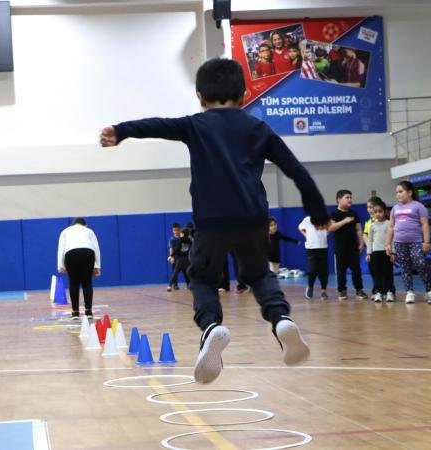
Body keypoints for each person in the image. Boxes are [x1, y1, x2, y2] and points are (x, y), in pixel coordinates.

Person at [99, 58, 329, 384]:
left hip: (211, 220)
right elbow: (296, 170)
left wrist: (121, 131)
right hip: (253, 218)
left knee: (202, 278)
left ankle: (212, 327)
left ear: (199, 97)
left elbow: (156, 125)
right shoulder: (259, 128)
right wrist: (317, 210)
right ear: (244, 94)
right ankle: (280, 321)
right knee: (258, 273)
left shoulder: (196, 124)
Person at [385, 181, 431, 303]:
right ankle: (409, 292)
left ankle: (429, 289)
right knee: (405, 268)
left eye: (401, 191)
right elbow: (391, 227)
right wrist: (388, 244)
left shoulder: (418, 206)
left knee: (420, 263)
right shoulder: (395, 208)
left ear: (410, 192)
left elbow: (425, 224)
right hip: (399, 243)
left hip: (416, 242)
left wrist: (426, 242)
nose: (398, 195)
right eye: (397, 192)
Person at [57, 218, 101, 320]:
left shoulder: (65, 231)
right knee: (87, 282)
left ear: (73, 224)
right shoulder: (89, 231)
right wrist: (97, 266)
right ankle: (88, 311)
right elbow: (96, 248)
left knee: (73, 283)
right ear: (85, 225)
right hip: (88, 253)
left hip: (71, 254)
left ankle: (75, 313)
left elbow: (61, 248)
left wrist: (60, 265)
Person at [328, 190, 368, 300]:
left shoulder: (354, 213)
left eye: (350, 197)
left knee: (356, 270)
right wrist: (344, 221)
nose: (350, 199)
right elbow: (331, 228)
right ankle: (342, 291)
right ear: (339, 199)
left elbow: (359, 230)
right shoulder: (334, 214)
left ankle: (359, 290)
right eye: (347, 197)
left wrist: (361, 243)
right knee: (341, 270)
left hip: (353, 247)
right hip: (340, 248)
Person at [365, 202, 395, 302]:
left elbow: (393, 239)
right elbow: (369, 240)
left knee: (387, 273)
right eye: (375, 212)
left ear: (385, 212)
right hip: (375, 253)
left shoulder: (389, 224)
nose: (378, 214)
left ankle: (389, 292)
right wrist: (369, 253)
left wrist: (393, 252)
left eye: (380, 211)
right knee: (376, 274)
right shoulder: (372, 226)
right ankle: (378, 292)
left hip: (386, 252)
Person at [298, 215, 329, 300]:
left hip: (323, 247)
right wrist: (306, 235)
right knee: (313, 269)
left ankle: (323, 291)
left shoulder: (325, 219)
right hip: (311, 248)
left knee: (324, 270)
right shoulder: (307, 219)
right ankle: (310, 287)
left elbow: (328, 230)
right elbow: (300, 227)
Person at [362, 196, 383, 297]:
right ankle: (376, 290)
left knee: (383, 271)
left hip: (382, 250)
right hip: (372, 250)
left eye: (371, 207)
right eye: (368, 207)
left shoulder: (383, 220)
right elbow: (365, 234)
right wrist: (369, 247)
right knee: (374, 271)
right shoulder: (368, 221)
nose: (369, 209)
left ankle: (386, 290)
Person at [168, 227, 192, 291]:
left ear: (183, 234)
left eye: (181, 233)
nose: (180, 234)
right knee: (188, 273)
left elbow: (176, 249)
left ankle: (170, 286)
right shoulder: (189, 240)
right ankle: (191, 285)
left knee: (175, 272)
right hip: (187, 259)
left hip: (180, 259)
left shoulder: (180, 240)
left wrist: (171, 256)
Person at [167, 223, 182, 291]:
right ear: (173, 231)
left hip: (183, 257)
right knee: (175, 271)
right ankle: (175, 285)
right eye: (174, 230)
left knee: (186, 271)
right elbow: (171, 248)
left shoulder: (182, 238)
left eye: (177, 230)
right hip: (176, 257)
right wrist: (171, 257)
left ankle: (189, 284)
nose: (176, 232)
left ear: (180, 230)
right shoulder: (172, 239)